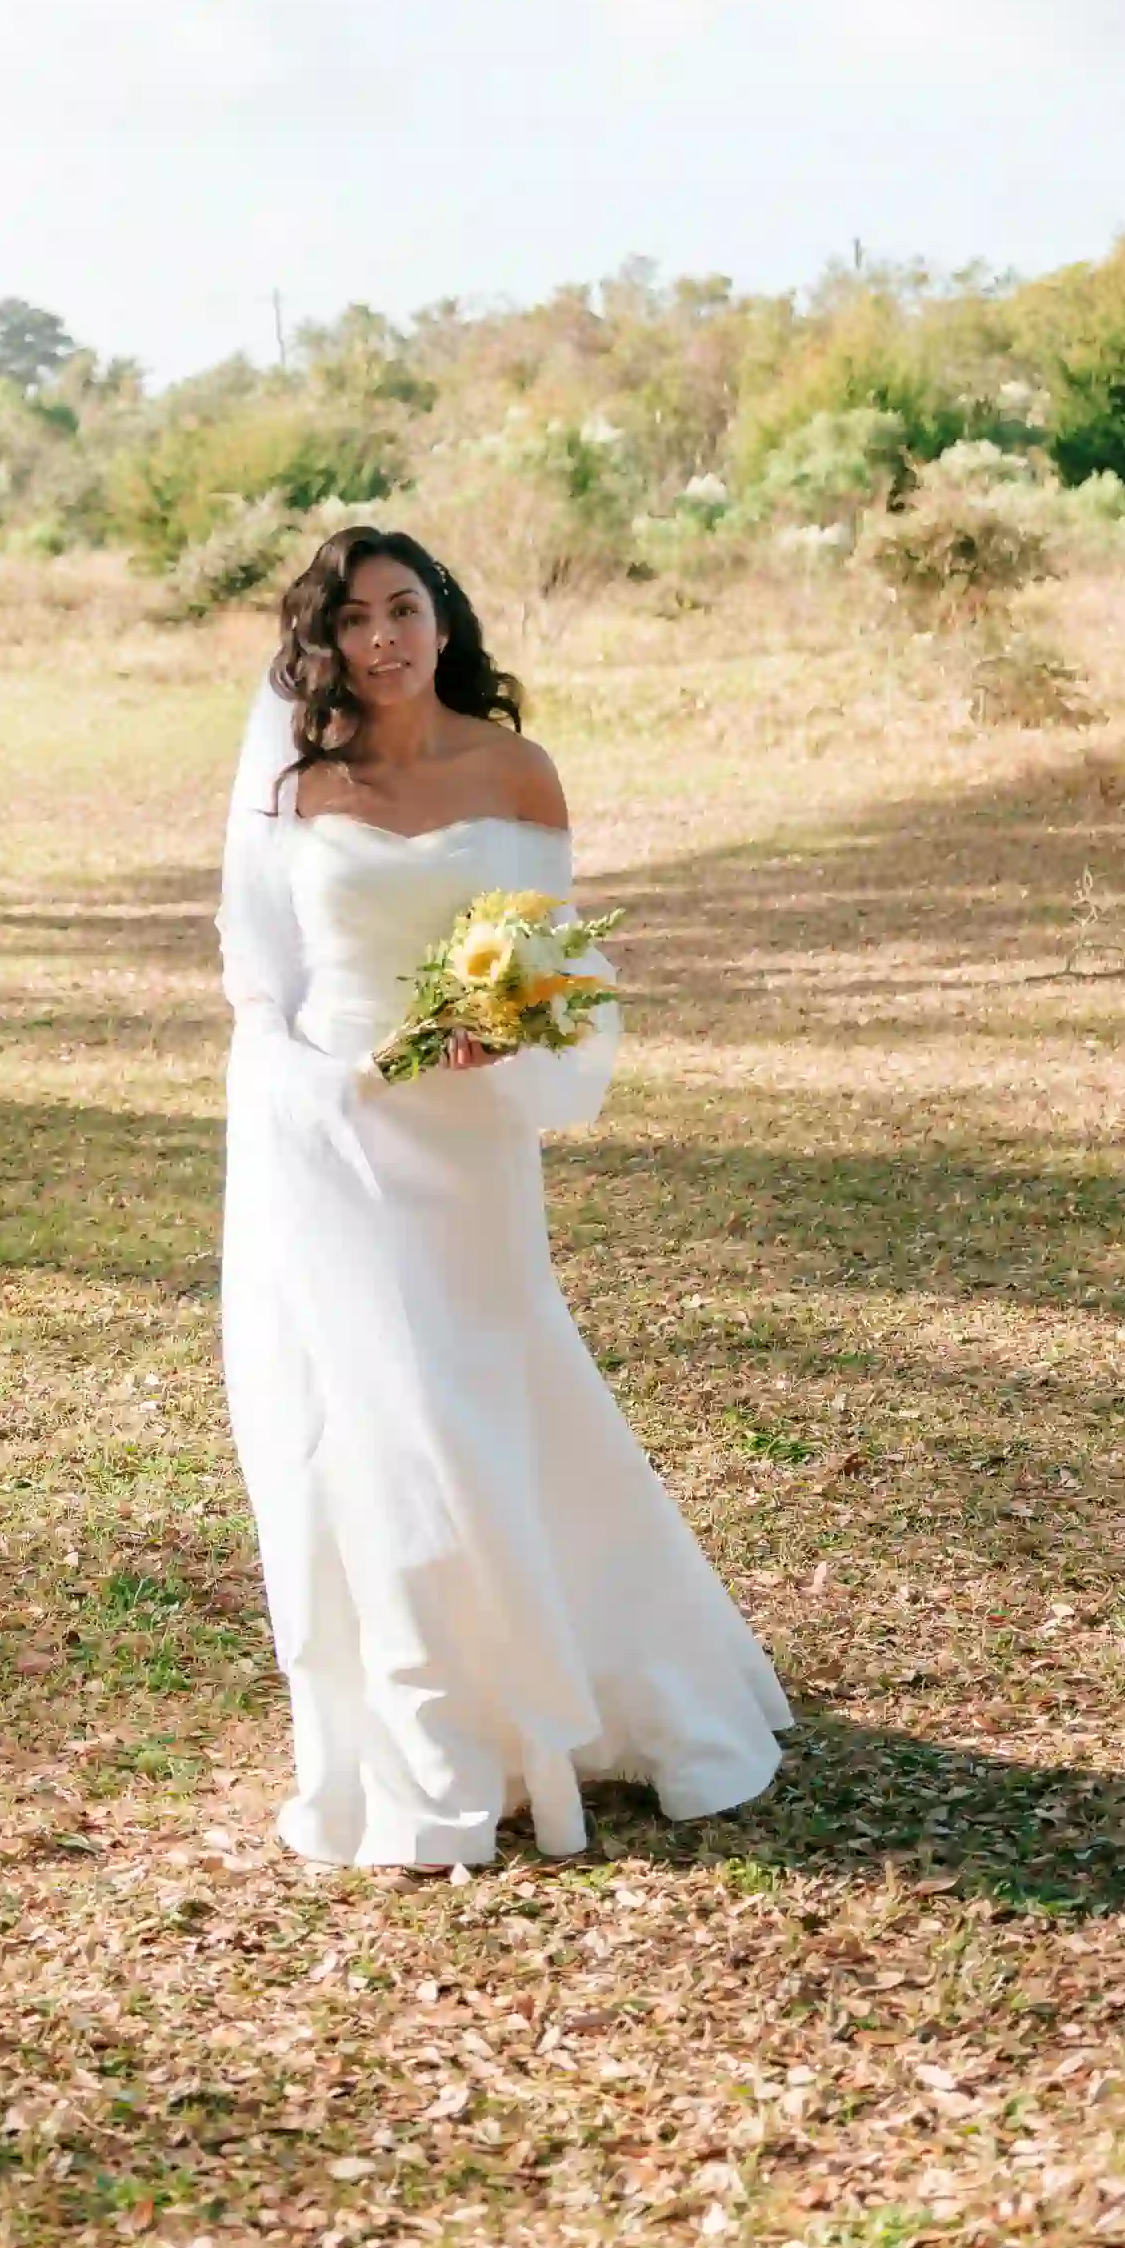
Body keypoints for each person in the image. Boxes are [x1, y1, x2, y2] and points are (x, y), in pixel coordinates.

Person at [217, 524, 790, 1868]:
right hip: (335, 1134)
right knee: (385, 1420)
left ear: (443, 617)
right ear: (325, 642)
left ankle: (576, 1686)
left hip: (469, 1135)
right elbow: (257, 978)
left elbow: (550, 955)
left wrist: (509, 1025)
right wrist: (317, 1088)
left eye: (402, 608)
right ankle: (435, 1737)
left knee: (490, 1393)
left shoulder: (516, 770)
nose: (382, 639)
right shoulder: (300, 784)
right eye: (353, 619)